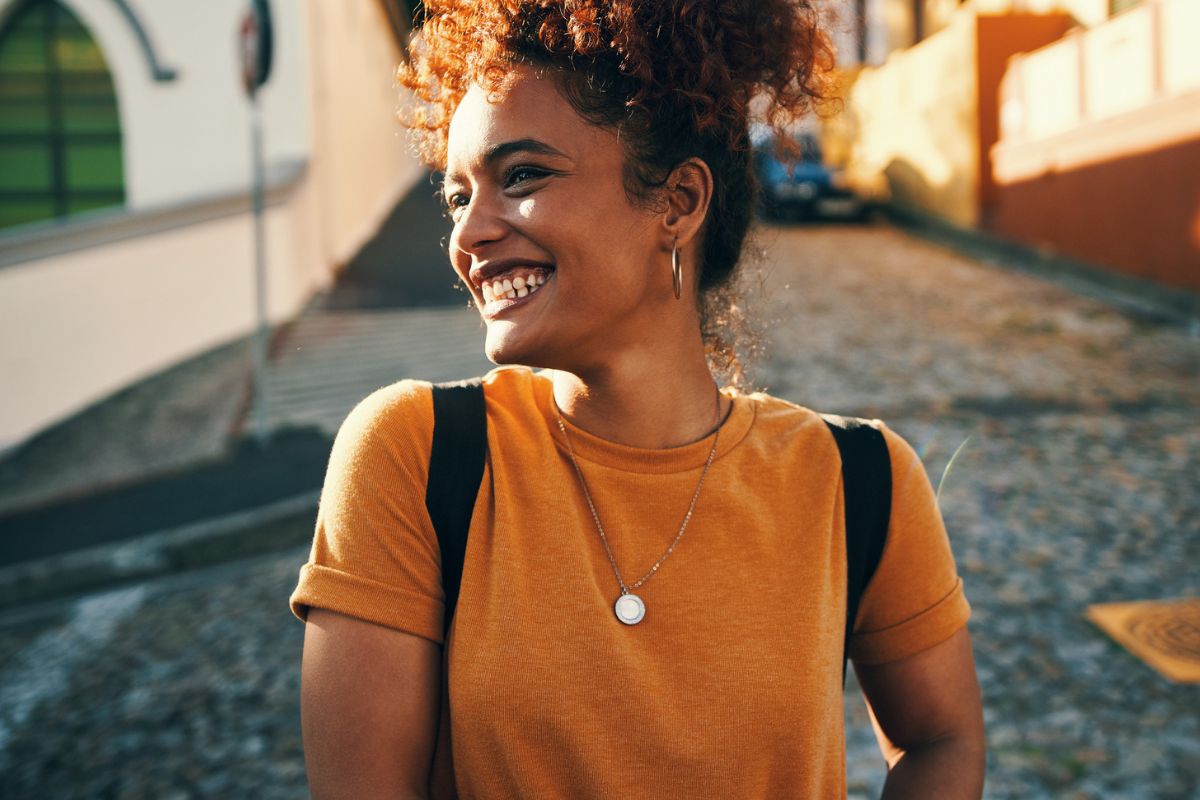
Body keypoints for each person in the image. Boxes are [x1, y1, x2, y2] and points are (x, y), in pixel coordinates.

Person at [289, 1, 985, 797]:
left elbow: (943, 738)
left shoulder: (860, 479)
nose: (467, 234)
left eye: (521, 176)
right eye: (457, 196)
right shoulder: (414, 454)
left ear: (679, 203)